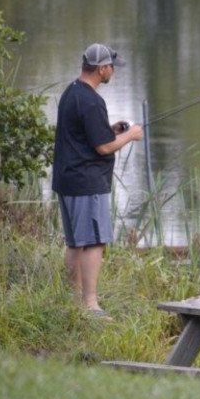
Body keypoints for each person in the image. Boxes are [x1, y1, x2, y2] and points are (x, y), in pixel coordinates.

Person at [52, 43, 144, 318]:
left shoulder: (72, 92)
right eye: (111, 67)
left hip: (67, 180)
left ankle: (73, 300)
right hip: (87, 183)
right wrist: (131, 135)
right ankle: (90, 305)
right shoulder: (92, 101)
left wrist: (111, 129)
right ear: (102, 68)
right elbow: (103, 148)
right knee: (94, 242)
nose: (113, 71)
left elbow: (86, 134)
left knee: (74, 243)